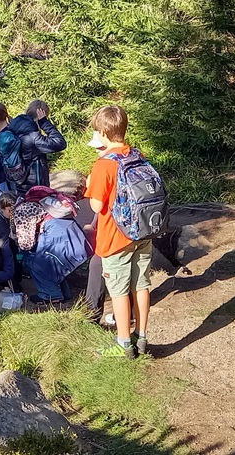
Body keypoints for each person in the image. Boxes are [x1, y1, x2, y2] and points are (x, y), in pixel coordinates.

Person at [85, 105, 152, 359]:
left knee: (119, 290)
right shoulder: (136, 154)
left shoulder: (103, 165)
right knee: (142, 285)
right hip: (142, 233)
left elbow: (97, 206)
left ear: (103, 132)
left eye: (96, 131)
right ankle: (142, 338)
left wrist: (90, 186)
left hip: (116, 237)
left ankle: (124, 344)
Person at [8, 99, 67, 194]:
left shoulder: (14, 129)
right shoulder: (33, 137)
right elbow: (60, 143)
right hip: (35, 185)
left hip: (19, 181)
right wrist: (44, 122)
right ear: (42, 114)